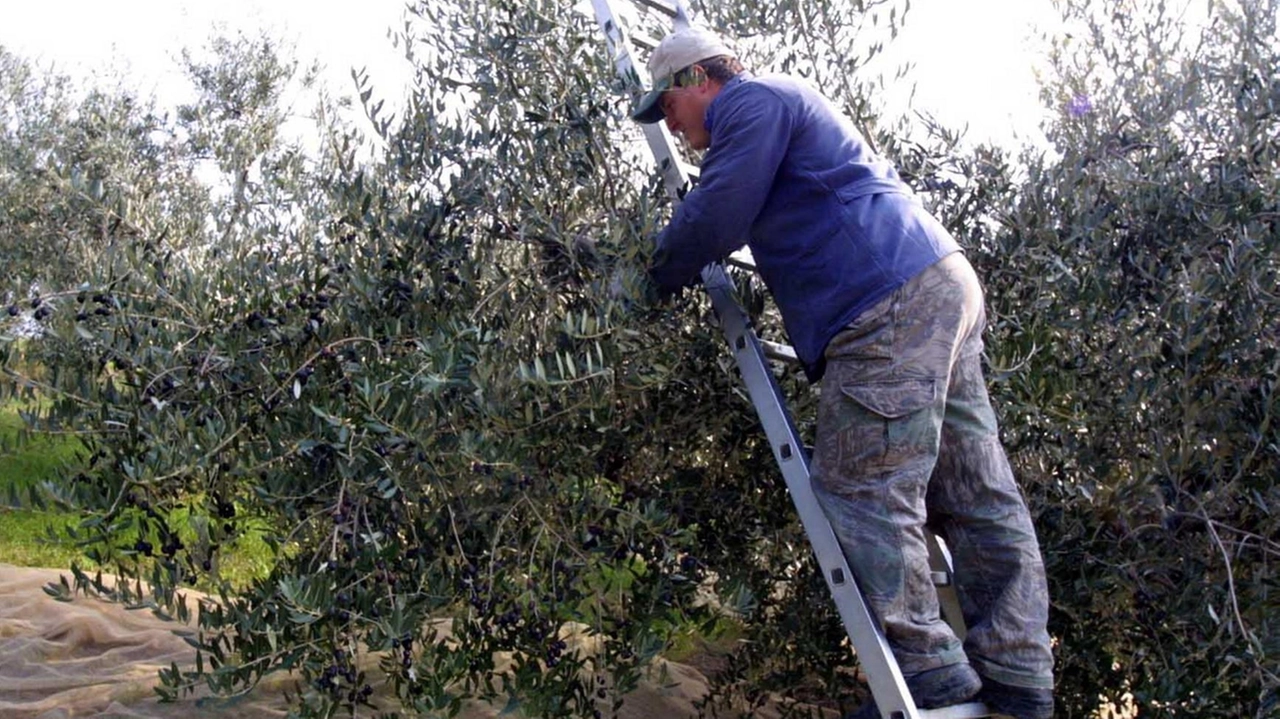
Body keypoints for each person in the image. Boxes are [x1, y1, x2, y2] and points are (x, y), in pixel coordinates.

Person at [630, 25, 1056, 719]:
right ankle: (1018, 670)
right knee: (975, 490)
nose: (668, 125)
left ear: (695, 81)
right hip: (936, 280)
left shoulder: (752, 101)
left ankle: (925, 671)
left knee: (861, 486)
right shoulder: (779, 105)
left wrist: (646, 277)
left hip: (886, 301)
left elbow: (718, 214)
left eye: (666, 107)